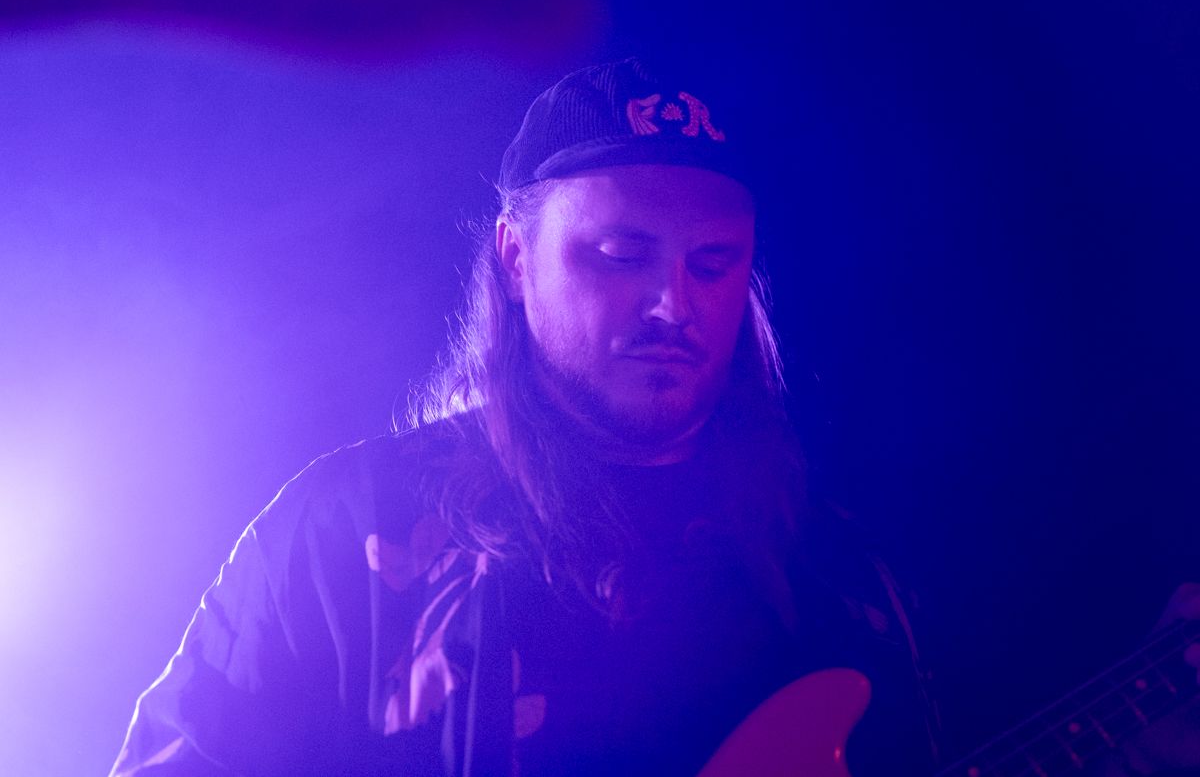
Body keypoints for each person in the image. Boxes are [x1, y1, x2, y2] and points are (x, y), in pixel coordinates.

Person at [110, 58, 1197, 777]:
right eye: (621, 254)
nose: (676, 303)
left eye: (714, 264)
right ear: (514, 258)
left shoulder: (836, 572)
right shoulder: (344, 530)